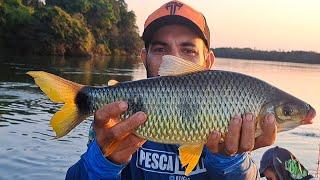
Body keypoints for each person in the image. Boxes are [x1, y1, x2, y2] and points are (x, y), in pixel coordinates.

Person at [66, 1, 277, 179]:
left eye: (188, 50)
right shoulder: (114, 119)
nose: (174, 60)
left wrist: (230, 160)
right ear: (143, 58)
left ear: (208, 61)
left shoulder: (230, 120)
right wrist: (103, 163)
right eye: (160, 49)